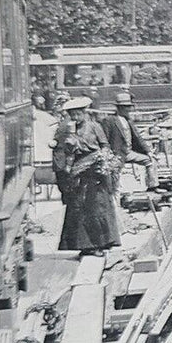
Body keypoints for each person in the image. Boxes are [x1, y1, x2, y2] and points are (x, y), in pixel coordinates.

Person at [57, 96, 121, 256]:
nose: (75, 117)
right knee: (79, 209)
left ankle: (103, 242)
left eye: (78, 114)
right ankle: (86, 246)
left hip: (95, 171)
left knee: (98, 207)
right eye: (72, 114)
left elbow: (105, 145)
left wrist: (103, 161)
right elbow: (64, 152)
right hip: (78, 171)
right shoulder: (67, 130)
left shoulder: (94, 126)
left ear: (84, 113)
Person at [105, 90, 160, 192]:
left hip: (129, 152)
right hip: (117, 154)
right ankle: (114, 191)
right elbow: (105, 139)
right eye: (127, 107)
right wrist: (109, 155)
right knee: (114, 172)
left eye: (129, 107)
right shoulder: (110, 121)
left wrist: (148, 152)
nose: (129, 109)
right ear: (120, 108)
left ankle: (153, 186)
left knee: (150, 160)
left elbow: (138, 138)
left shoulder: (128, 120)